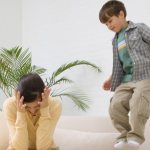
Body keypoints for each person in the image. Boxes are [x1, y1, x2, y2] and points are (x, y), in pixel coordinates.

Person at [99, 0, 150, 149]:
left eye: (110, 21)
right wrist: (110, 79)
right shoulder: (115, 40)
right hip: (126, 80)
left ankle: (136, 137)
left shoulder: (139, 28)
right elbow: (120, 63)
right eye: (106, 24)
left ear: (121, 14)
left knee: (138, 102)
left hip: (144, 75)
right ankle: (124, 135)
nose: (109, 26)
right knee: (115, 105)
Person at [3, 73, 62, 150]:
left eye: (37, 107)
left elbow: (43, 147)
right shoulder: (10, 105)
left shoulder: (55, 105)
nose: (33, 111)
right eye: (27, 107)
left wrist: (44, 110)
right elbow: (20, 148)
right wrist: (20, 113)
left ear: (45, 94)